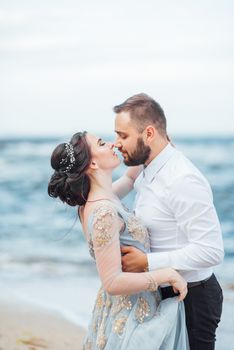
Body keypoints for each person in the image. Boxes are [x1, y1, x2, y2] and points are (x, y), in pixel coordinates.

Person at [48, 131, 189, 350]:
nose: (113, 144)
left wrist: (152, 141)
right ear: (93, 163)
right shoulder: (103, 212)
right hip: (130, 313)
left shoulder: (100, 199)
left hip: (127, 305)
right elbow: (112, 282)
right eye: (102, 143)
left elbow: (131, 178)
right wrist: (166, 274)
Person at [113, 93, 224, 350]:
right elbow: (126, 185)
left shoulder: (182, 179)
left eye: (123, 135)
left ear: (149, 133)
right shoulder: (146, 167)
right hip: (161, 293)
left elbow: (211, 250)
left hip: (192, 298)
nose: (116, 143)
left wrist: (146, 262)